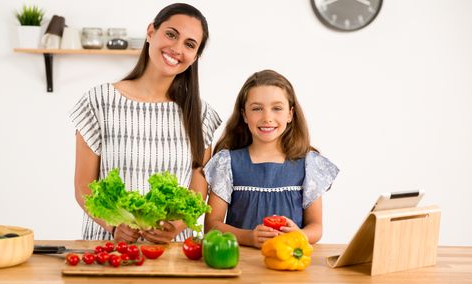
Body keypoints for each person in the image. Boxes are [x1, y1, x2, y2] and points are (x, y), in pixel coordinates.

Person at [70, 3, 221, 243]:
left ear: (195, 57)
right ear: (151, 32)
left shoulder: (201, 115)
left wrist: (176, 226)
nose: (176, 48)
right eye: (171, 34)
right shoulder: (99, 101)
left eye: (189, 44)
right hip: (110, 248)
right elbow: (83, 187)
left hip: (172, 253)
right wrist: (113, 225)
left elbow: (197, 191)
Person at [204, 70, 338, 248]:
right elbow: (212, 225)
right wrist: (248, 237)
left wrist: (299, 235)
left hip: (289, 264)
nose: (267, 118)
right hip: (241, 264)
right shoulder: (227, 162)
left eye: (277, 108)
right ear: (244, 114)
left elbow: (316, 226)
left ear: (290, 114)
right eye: (257, 108)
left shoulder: (309, 164)